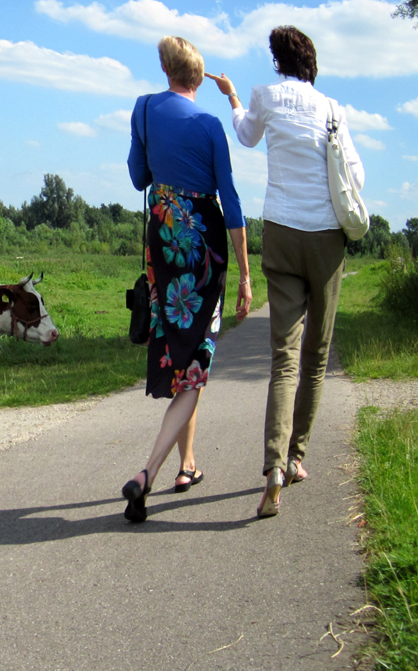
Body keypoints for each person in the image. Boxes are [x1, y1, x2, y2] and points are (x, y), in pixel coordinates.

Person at [206, 25, 364, 518]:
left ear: (276, 60)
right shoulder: (333, 108)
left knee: (284, 358)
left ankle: (272, 467)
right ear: (311, 62)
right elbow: (354, 175)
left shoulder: (265, 97)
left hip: (280, 230)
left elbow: (246, 136)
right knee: (316, 357)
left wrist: (232, 97)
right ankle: (296, 459)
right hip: (325, 239)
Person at [122, 36, 252, 523]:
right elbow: (232, 202)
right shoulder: (212, 124)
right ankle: (147, 473)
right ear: (199, 79)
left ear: (164, 68)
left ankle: (187, 465)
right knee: (197, 357)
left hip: (164, 235)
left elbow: (139, 177)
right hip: (204, 244)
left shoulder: (143, 108)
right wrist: (244, 273)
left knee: (183, 348)